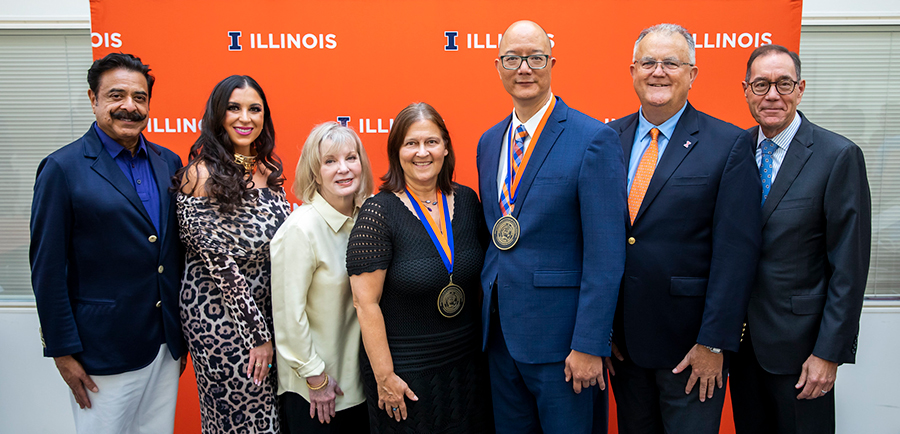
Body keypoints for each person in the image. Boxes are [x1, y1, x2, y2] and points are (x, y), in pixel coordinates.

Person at [604, 23, 761, 434]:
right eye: (648, 62)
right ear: (632, 71)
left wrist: (714, 343)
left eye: (671, 63)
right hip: (623, 347)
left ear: (692, 74)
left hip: (691, 350)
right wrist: (599, 330)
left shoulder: (729, 144)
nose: (659, 72)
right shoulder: (606, 139)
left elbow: (737, 255)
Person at [476, 20, 626, 434]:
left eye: (535, 57)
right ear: (498, 66)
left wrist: (589, 344)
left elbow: (607, 254)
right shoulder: (489, 143)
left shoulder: (593, 137)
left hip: (564, 347)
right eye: (512, 58)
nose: (524, 68)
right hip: (500, 339)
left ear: (552, 63)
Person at [29, 52, 186, 434]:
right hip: (101, 352)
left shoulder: (169, 162)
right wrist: (62, 351)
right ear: (93, 99)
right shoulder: (62, 168)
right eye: (116, 96)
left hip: (165, 346)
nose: (129, 107)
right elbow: (47, 269)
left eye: (140, 97)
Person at [729, 44, 872, 434]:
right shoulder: (734, 150)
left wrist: (828, 354)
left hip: (802, 353)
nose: (772, 95)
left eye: (783, 84)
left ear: (801, 88)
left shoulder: (837, 156)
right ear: (745, 90)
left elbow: (850, 267)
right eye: (760, 85)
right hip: (741, 350)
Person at [347, 102, 493, 433]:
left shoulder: (469, 202)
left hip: (468, 368)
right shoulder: (378, 213)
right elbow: (364, 303)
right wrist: (385, 377)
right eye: (411, 143)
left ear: (445, 148)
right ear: (396, 151)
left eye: (431, 142)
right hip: (406, 377)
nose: (422, 152)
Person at [176, 75, 290, 433]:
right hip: (222, 322)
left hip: (270, 317)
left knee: (274, 420)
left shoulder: (268, 172)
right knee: (239, 421)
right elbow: (221, 267)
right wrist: (259, 337)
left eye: (254, 109)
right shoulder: (199, 175)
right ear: (218, 116)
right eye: (234, 108)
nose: (245, 118)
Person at [271, 122, 373, 433]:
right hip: (318, 392)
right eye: (330, 161)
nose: (343, 169)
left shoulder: (364, 220)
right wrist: (316, 378)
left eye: (351, 158)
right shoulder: (301, 229)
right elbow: (289, 315)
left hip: (357, 386)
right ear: (315, 172)